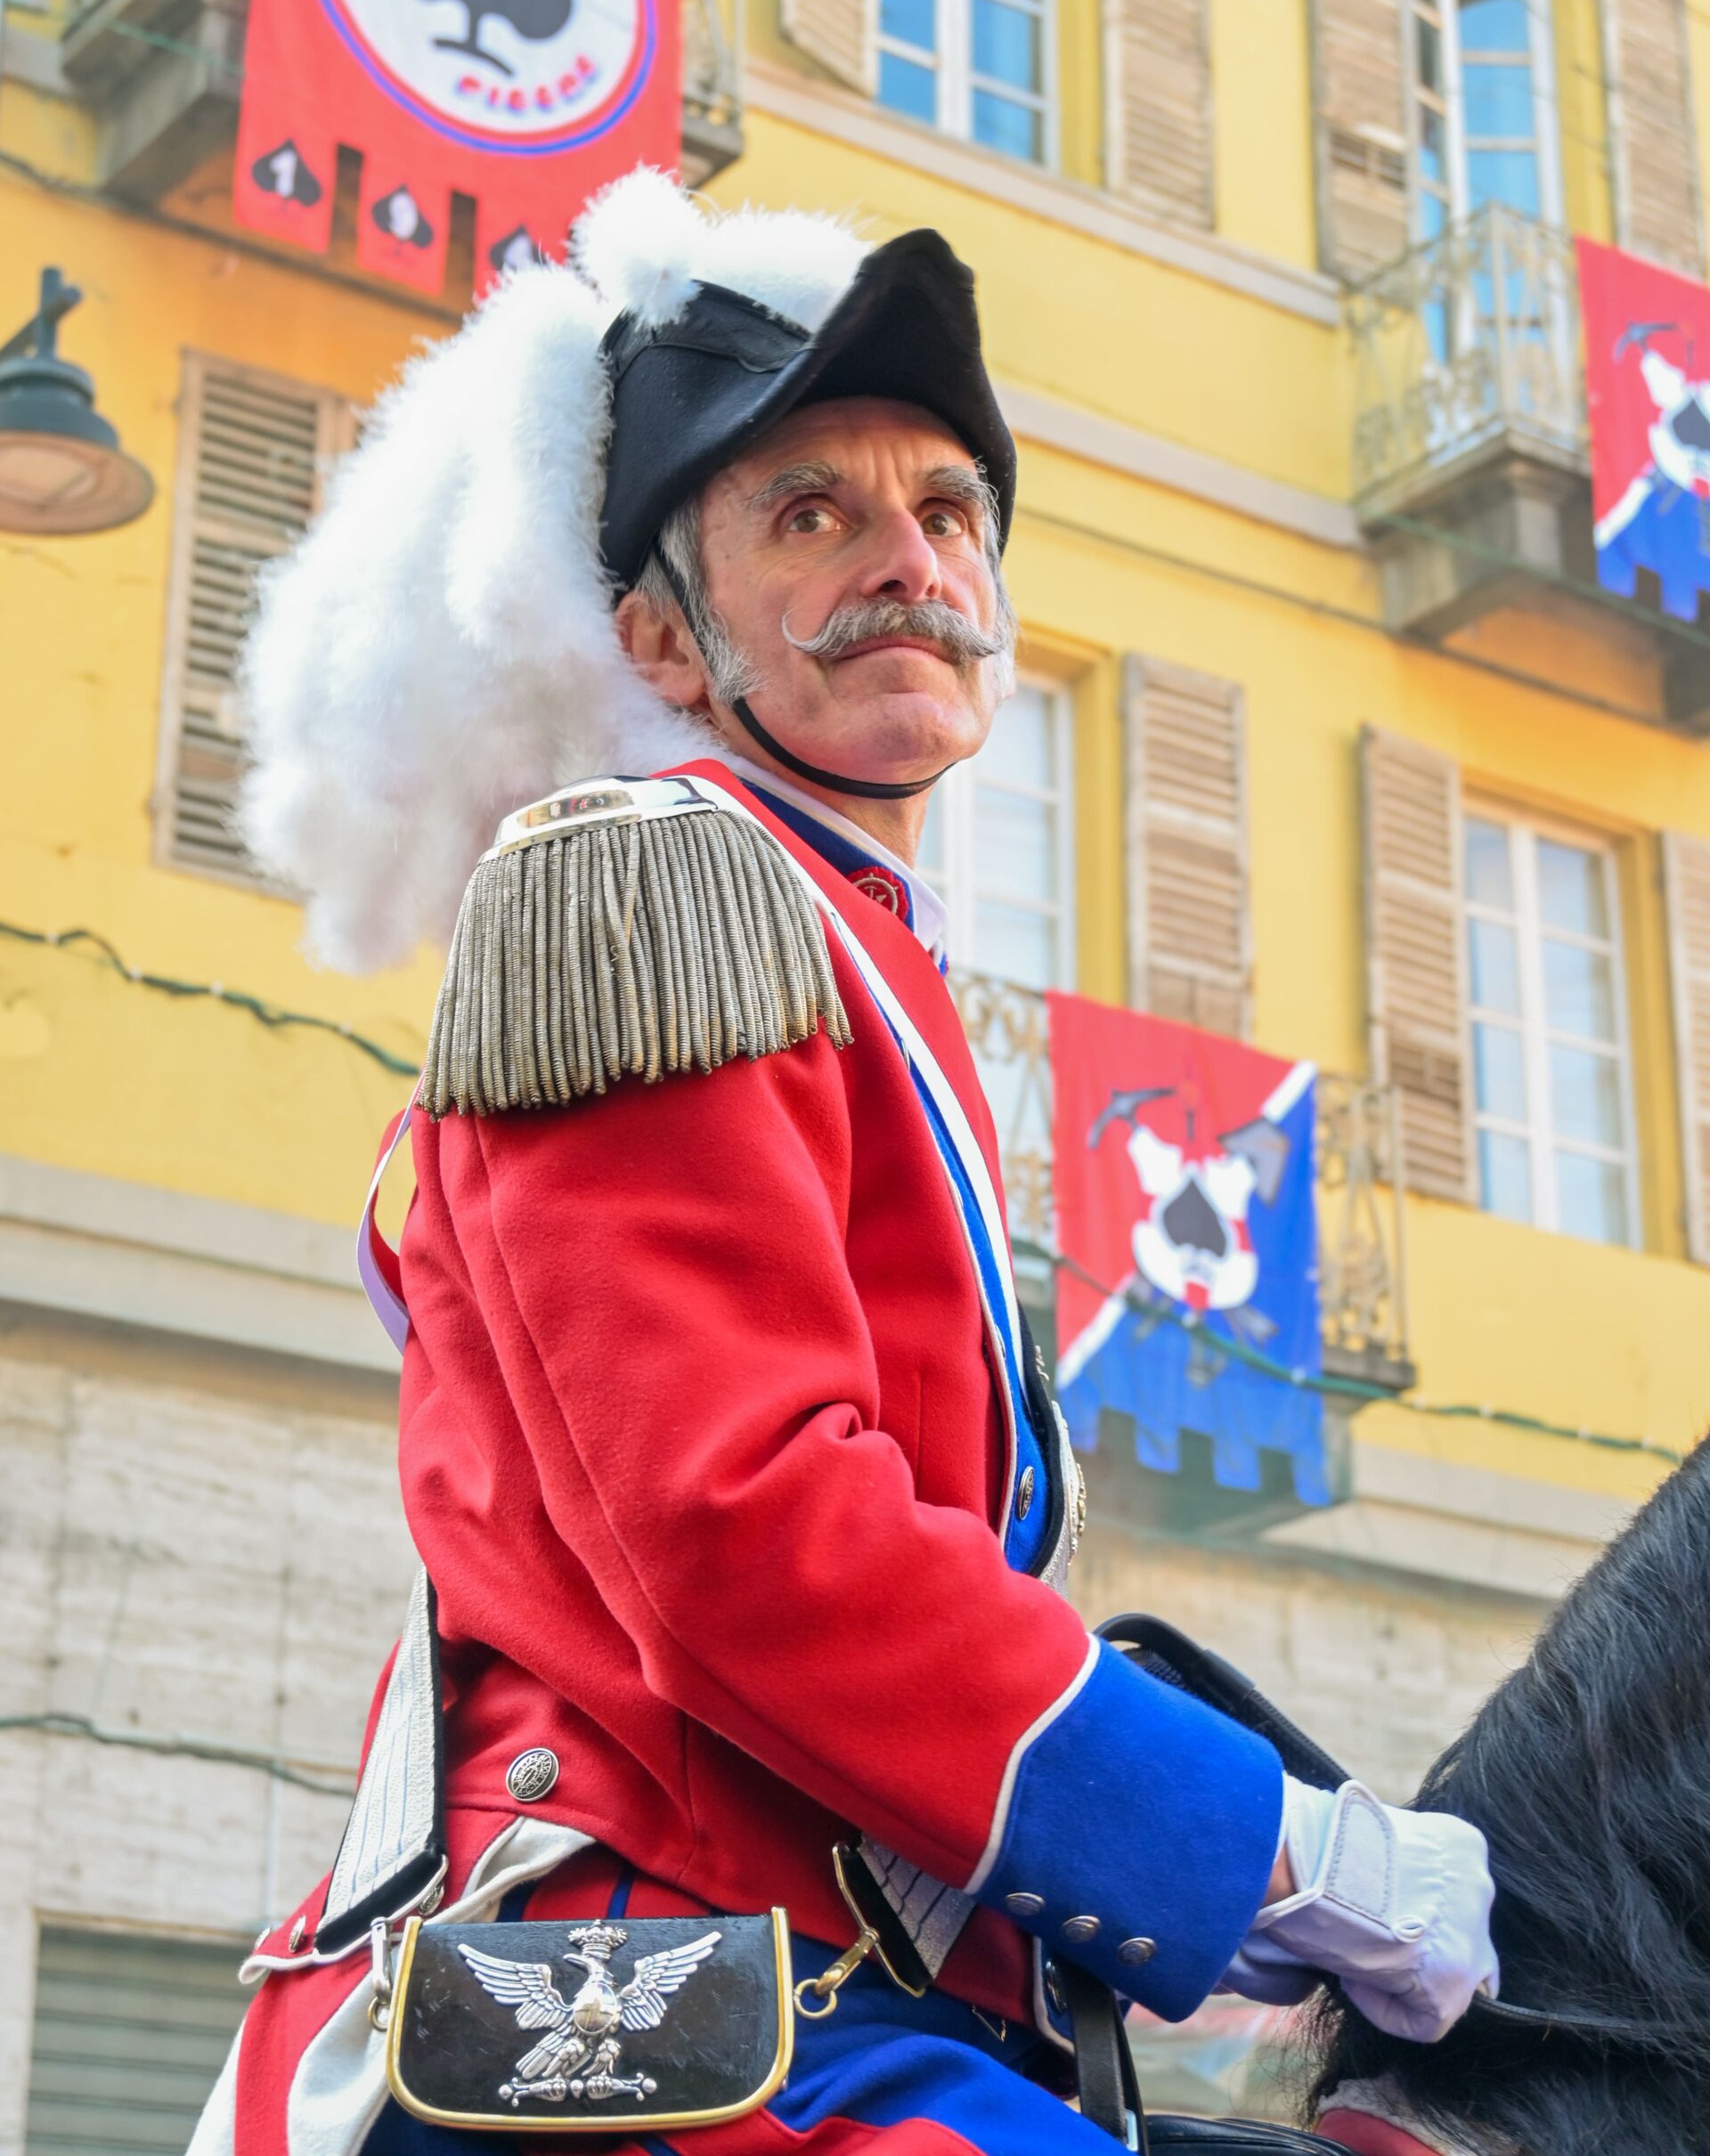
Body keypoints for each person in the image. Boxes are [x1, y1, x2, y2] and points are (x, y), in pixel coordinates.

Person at [190, 168, 1497, 2154]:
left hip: (831, 1990)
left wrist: (1181, 1886)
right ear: (663, 637)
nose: (907, 558)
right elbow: (747, 1528)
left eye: (947, 512)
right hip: (647, 1993)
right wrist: (1275, 1847)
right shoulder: (651, 884)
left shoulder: (849, 943)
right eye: (811, 514)